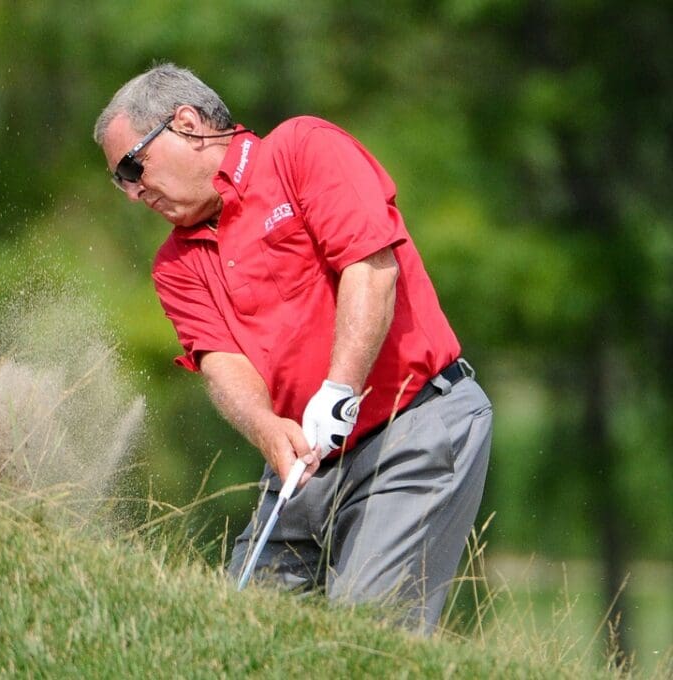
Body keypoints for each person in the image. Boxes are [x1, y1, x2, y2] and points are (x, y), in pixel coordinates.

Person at [93, 63, 492, 633]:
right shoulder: (175, 265)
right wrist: (263, 426)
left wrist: (340, 391)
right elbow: (222, 360)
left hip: (415, 429)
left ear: (186, 124)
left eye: (134, 166)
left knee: (367, 639)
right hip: (305, 459)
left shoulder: (301, 149)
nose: (133, 193)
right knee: (235, 633)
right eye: (120, 181)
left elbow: (371, 268)